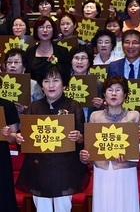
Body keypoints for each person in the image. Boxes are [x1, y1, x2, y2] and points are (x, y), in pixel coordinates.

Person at [15, 65, 89, 212]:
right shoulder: (33, 107)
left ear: (64, 84)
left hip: (65, 169)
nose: (51, 85)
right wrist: (20, 138)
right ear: (41, 86)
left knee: (63, 208)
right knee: (42, 209)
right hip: (39, 169)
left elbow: (84, 137)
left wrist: (79, 137)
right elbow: (25, 139)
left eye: (55, 80)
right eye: (46, 81)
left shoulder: (73, 106)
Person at [79, 76, 140, 212]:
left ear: (125, 95)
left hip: (125, 170)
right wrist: (84, 156)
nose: (113, 93)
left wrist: (131, 153)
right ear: (104, 94)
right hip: (102, 170)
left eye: (118, 90)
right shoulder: (95, 116)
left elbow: (139, 149)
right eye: (110, 90)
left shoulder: (134, 116)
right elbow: (89, 148)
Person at [24, 16, 70, 82]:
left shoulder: (62, 51)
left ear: (53, 30)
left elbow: (65, 75)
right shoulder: (30, 51)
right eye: (41, 27)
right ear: (36, 30)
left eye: (48, 27)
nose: (45, 30)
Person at [0, 88, 19, 212]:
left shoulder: (7, 105)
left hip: (1, 157)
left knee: (4, 194)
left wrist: (8, 134)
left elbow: (14, 139)